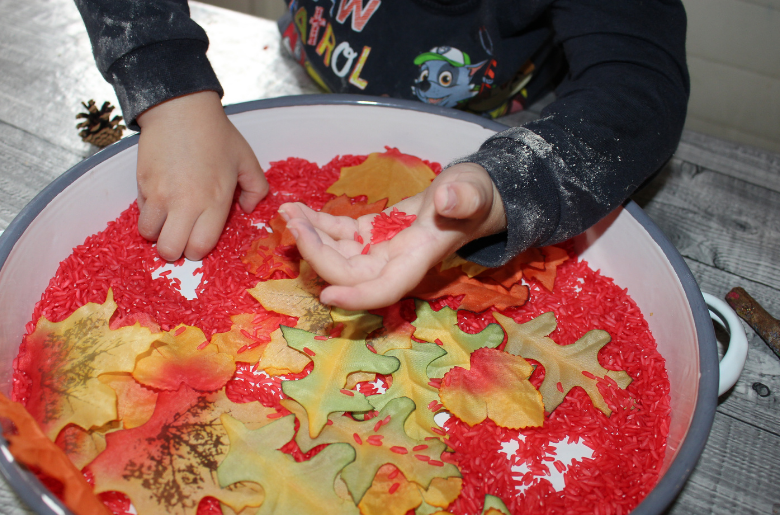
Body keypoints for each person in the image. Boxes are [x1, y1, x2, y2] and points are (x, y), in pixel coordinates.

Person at [75, 0, 689, 311]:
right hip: (303, 63)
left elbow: (639, 89)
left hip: (506, 115)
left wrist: (499, 186)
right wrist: (169, 87)